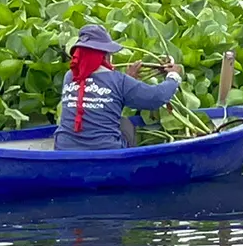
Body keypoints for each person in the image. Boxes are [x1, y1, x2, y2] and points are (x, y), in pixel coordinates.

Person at [54, 25, 183, 151]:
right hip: (106, 149)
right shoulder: (118, 80)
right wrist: (173, 76)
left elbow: (105, 95)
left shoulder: (69, 77)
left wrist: (129, 78)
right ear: (105, 56)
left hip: (63, 148)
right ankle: (127, 164)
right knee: (125, 124)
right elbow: (156, 97)